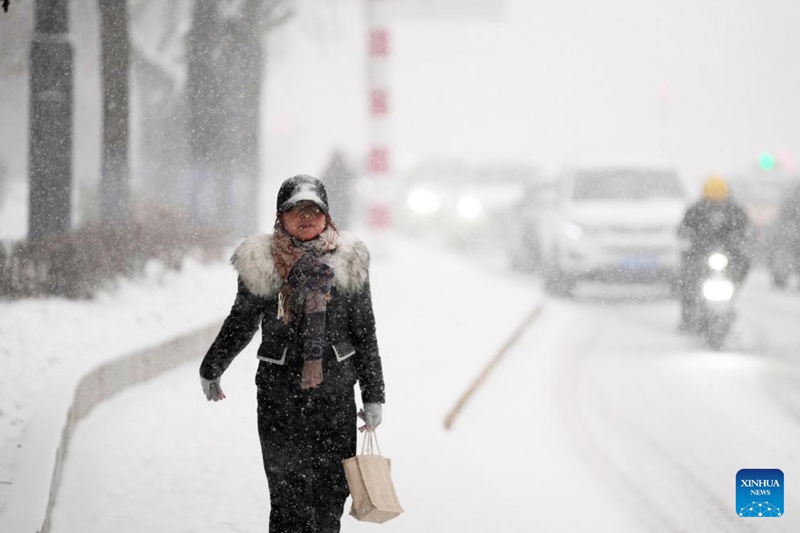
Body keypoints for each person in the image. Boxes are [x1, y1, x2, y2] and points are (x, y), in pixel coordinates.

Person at [198, 174, 386, 533]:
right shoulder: (262, 264)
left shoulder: (349, 262)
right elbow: (242, 321)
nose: (305, 217)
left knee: (331, 496)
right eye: (295, 209)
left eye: (313, 210)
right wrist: (213, 366)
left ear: (326, 215)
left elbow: (365, 331)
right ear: (280, 216)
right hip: (279, 398)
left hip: (335, 399)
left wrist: (373, 395)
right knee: (288, 497)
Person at [677, 175, 751, 331]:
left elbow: (746, 231)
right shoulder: (696, 210)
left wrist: (739, 242)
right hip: (700, 255)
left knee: (741, 268)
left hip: (729, 256)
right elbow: (684, 228)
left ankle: (731, 299)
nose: (716, 200)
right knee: (688, 280)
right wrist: (690, 239)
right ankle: (688, 315)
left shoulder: (735, 211)